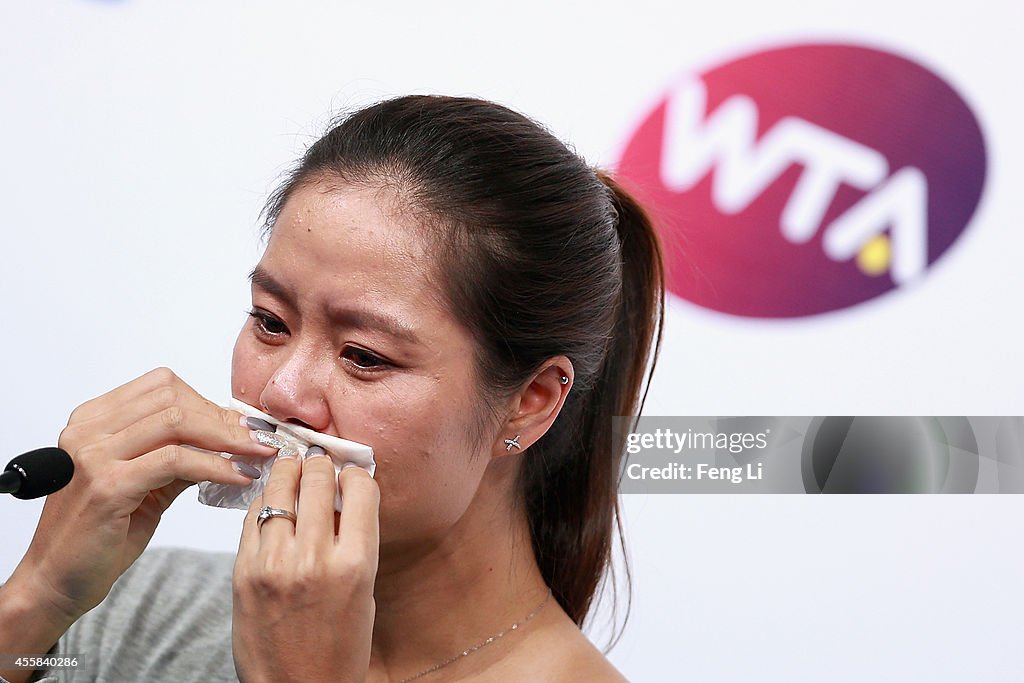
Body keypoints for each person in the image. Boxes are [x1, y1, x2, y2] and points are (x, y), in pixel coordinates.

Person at [0, 95, 664, 682]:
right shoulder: (145, 606)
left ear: (533, 399)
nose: (282, 393)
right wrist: (39, 599)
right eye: (269, 320)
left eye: (364, 356)